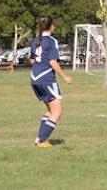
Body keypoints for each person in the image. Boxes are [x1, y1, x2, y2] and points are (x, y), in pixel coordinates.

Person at [29, 16, 73, 148]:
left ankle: (39, 138)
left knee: (50, 111)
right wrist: (65, 76)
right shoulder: (52, 41)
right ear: (51, 26)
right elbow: (52, 62)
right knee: (57, 111)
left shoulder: (35, 40)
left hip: (34, 78)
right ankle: (41, 140)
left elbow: (31, 60)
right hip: (46, 78)